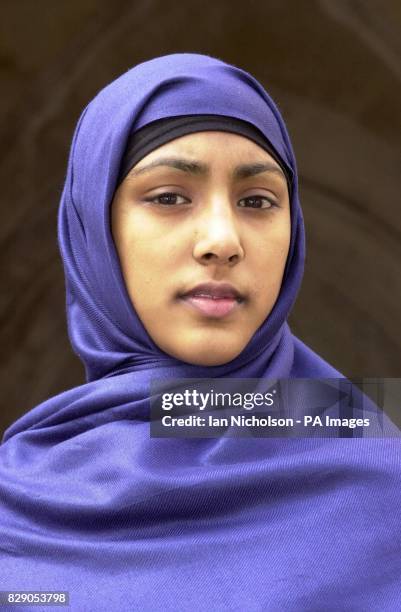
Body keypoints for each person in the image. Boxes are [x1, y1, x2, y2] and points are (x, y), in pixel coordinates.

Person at [0, 53, 399, 611]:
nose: (222, 239)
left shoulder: (375, 474)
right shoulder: (19, 503)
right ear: (95, 230)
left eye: (257, 201)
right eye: (168, 197)